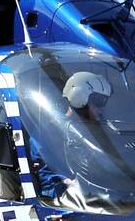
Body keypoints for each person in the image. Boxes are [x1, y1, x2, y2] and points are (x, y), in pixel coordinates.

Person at [29, 71, 113, 203]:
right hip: (63, 200)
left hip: (101, 194)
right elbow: (46, 172)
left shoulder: (101, 127)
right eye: (98, 101)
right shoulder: (50, 131)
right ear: (79, 97)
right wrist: (66, 182)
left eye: (104, 101)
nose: (102, 107)